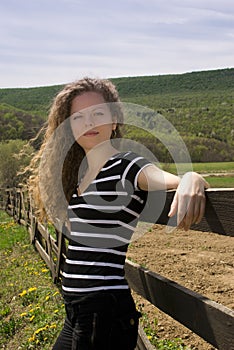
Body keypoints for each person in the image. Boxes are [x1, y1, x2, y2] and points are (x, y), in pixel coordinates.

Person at [28, 77, 209, 350]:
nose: (88, 123)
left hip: (103, 313)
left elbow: (169, 179)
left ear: (114, 121)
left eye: (98, 113)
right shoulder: (82, 176)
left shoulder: (126, 165)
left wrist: (192, 178)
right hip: (76, 313)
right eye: (78, 117)